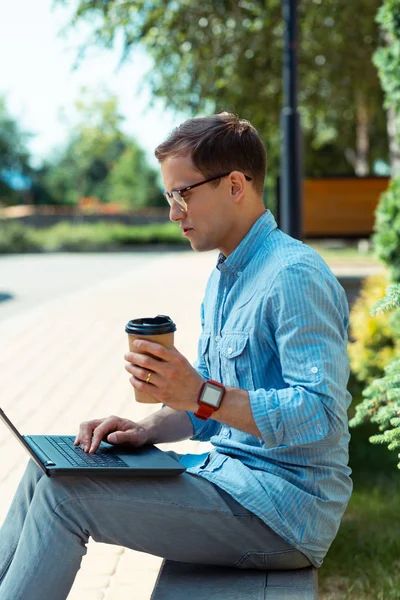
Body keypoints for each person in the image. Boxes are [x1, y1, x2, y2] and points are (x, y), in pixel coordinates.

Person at [0, 113, 352, 599]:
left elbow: (321, 416)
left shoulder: (294, 275)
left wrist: (199, 392)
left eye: (183, 193)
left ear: (234, 185)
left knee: (66, 499)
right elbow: (208, 410)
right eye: (170, 196)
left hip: (283, 512)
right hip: (233, 485)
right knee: (49, 471)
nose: (173, 212)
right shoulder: (225, 276)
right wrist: (145, 429)